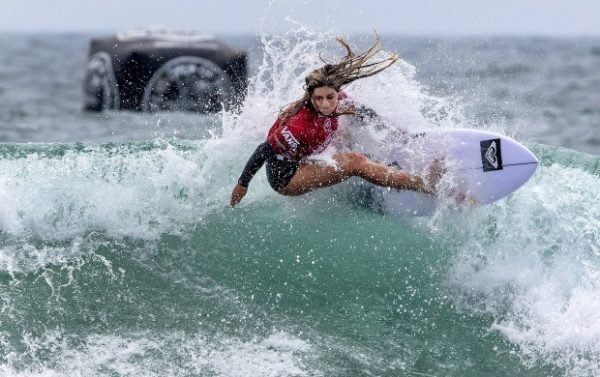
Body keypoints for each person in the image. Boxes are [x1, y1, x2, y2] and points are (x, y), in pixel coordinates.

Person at [230, 34, 442, 208]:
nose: (325, 104)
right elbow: (262, 150)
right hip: (287, 176)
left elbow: (364, 113)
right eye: (318, 99)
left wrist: (397, 134)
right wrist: (242, 185)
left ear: (337, 92)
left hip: (307, 154)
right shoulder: (299, 126)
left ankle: (383, 172)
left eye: (329, 97)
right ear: (310, 97)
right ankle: (423, 184)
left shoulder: (339, 101)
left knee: (351, 132)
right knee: (353, 161)